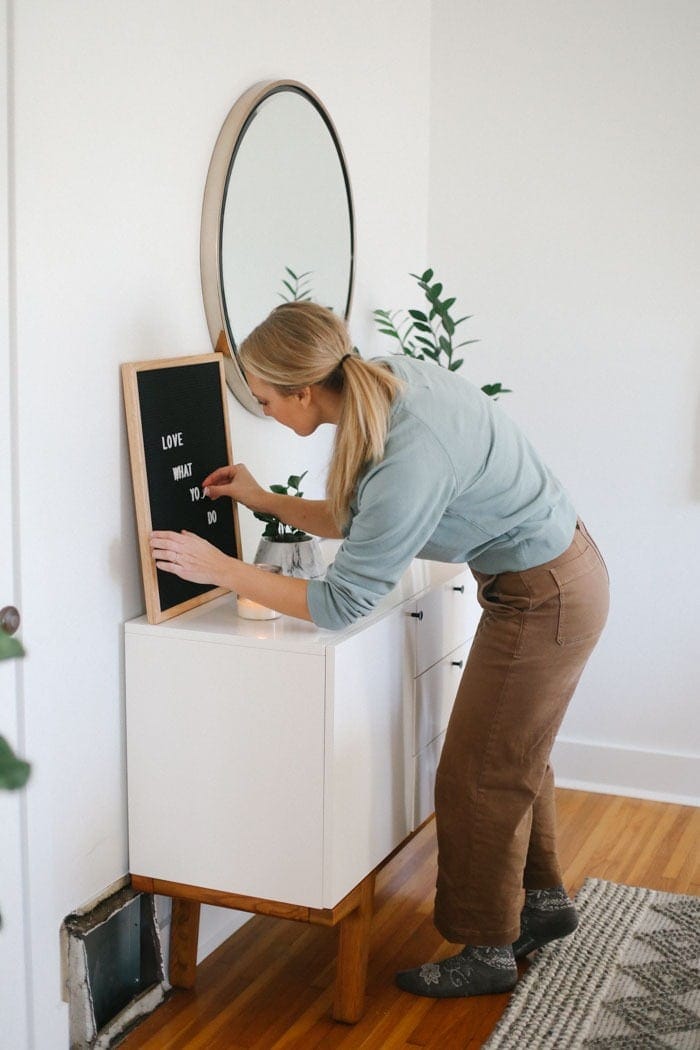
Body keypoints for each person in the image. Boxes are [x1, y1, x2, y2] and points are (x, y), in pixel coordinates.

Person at [150, 301, 609, 999]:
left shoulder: (408, 449)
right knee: (512, 755)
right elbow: (363, 517)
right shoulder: (386, 387)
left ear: (305, 389)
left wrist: (225, 570)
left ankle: (486, 950)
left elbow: (340, 603)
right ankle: (541, 904)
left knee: (478, 774)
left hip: (544, 594)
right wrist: (264, 500)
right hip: (549, 575)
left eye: (267, 399)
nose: (267, 412)